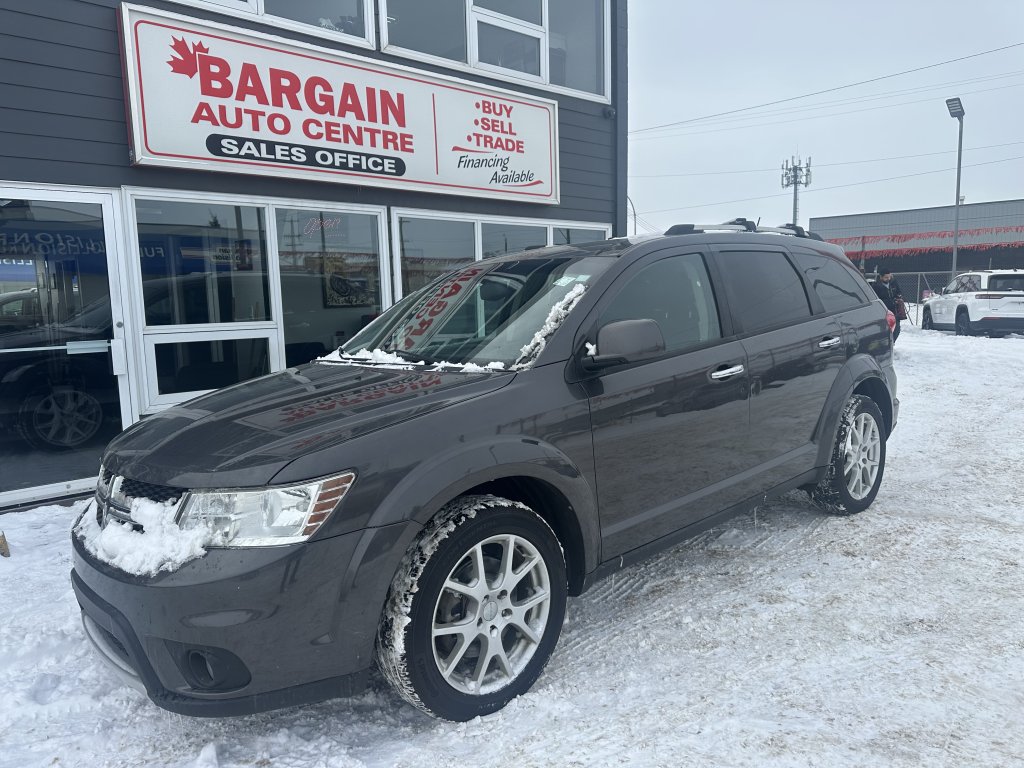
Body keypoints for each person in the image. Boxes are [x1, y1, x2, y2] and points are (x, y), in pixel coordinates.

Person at [871, 268, 904, 342]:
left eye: (889, 277)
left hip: (895, 310)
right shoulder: (876, 286)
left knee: (897, 329)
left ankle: (892, 343)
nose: (888, 279)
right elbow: (877, 300)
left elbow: (899, 292)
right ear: (881, 277)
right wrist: (890, 302)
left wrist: (899, 298)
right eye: (886, 277)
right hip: (884, 311)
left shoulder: (894, 283)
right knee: (884, 329)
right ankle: (885, 344)